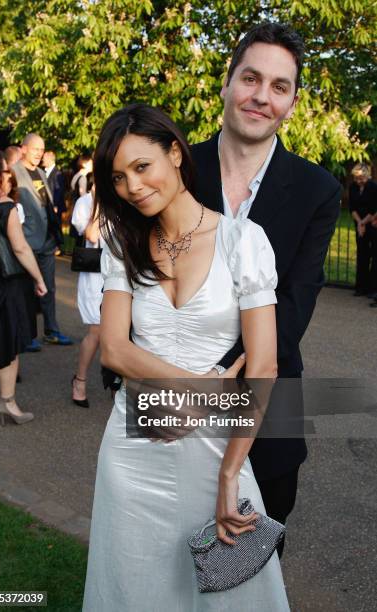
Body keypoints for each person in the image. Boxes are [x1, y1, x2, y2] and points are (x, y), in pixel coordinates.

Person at [83, 104, 290, 611]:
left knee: (231, 587)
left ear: (175, 153)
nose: (132, 186)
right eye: (118, 177)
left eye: (141, 166)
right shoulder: (122, 242)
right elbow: (114, 349)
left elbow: (263, 367)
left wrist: (228, 476)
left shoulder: (244, 242)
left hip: (217, 449)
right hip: (133, 445)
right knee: (133, 584)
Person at [190, 22, 341, 556]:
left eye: (279, 86)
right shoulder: (177, 169)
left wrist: (214, 372)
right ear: (227, 84)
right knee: (168, 548)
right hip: (173, 391)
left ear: (292, 103)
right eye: (251, 79)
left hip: (271, 403)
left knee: (253, 558)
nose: (262, 96)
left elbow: (294, 305)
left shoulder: (317, 190)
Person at [0, 149, 47, 425]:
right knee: (9, 341)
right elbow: (20, 248)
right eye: (3, 169)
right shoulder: (5, 205)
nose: (8, 173)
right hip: (4, 281)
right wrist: (39, 278)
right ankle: (8, 404)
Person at [12, 133, 73, 349]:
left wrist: (55, 235)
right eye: (35, 148)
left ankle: (52, 331)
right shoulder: (14, 172)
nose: (39, 153)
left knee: (49, 288)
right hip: (26, 241)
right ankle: (26, 335)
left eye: (41, 149)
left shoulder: (40, 172)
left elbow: (46, 204)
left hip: (46, 240)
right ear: (24, 149)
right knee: (25, 290)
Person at [70, 178, 103, 407]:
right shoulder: (85, 202)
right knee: (97, 331)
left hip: (122, 272)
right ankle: (79, 380)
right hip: (95, 274)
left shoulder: (124, 199)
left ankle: (118, 382)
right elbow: (91, 235)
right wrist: (99, 204)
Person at [348, 163, 377, 297]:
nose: (359, 181)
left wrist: (364, 223)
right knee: (362, 256)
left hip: (372, 224)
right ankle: (361, 287)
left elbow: (373, 208)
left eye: (361, 178)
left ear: (367, 176)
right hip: (359, 224)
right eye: (356, 178)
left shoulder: (373, 187)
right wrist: (360, 223)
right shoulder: (353, 187)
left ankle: (372, 288)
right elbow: (352, 208)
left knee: (374, 257)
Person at [42, 150, 67, 223]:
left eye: (44, 158)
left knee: (56, 228)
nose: (42, 159)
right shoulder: (43, 172)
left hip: (55, 207)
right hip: (47, 206)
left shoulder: (57, 173)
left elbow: (59, 190)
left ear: (49, 159)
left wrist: (55, 205)